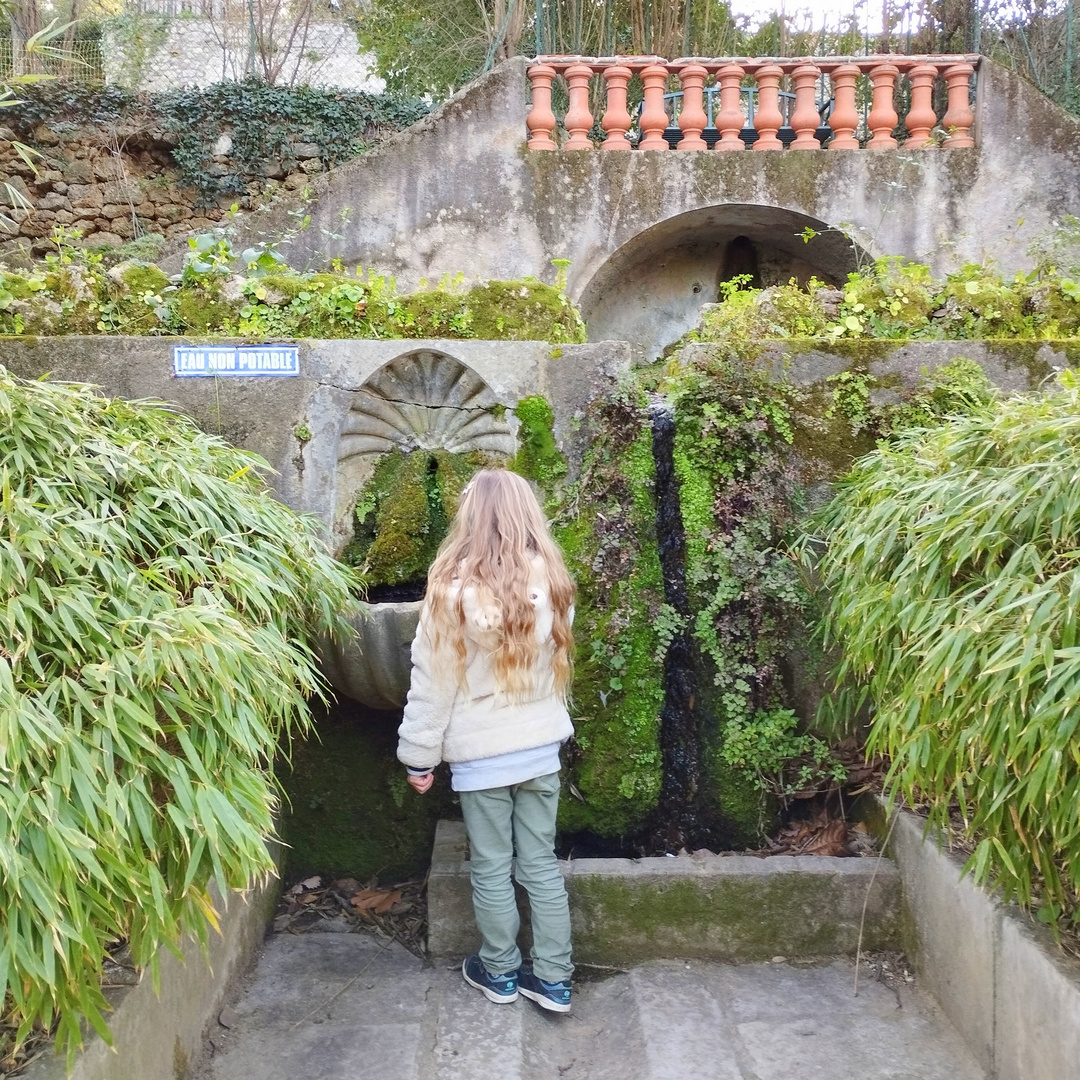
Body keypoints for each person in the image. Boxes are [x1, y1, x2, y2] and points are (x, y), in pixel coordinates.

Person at [397, 468, 575, 1013]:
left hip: (482, 758)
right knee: (540, 864)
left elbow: (433, 683)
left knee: (493, 866)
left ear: (470, 518)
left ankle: (499, 971)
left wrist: (419, 758)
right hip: (540, 749)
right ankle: (554, 980)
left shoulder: (449, 590)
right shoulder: (555, 582)